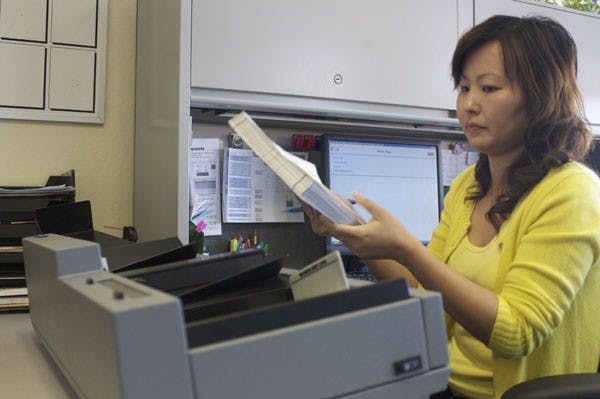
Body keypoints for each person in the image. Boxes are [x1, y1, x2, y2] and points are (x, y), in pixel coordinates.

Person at [303, 15, 600, 399]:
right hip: (445, 385)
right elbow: (427, 294)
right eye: (463, 88)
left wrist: (407, 248)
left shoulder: (572, 193)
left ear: (541, 98)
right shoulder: (468, 187)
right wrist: (359, 235)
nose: (469, 105)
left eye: (489, 88)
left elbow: (519, 331)